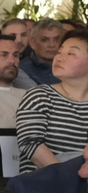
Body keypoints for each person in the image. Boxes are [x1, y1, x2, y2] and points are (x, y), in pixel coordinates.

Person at [17, 29, 88, 173]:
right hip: (46, 185)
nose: (59, 58)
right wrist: (66, 178)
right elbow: (30, 143)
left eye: (71, 53)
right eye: (59, 52)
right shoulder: (39, 96)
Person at [21, 18, 66, 86]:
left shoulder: (72, 66)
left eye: (57, 39)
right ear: (33, 43)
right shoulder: (22, 69)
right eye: (45, 40)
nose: (52, 45)